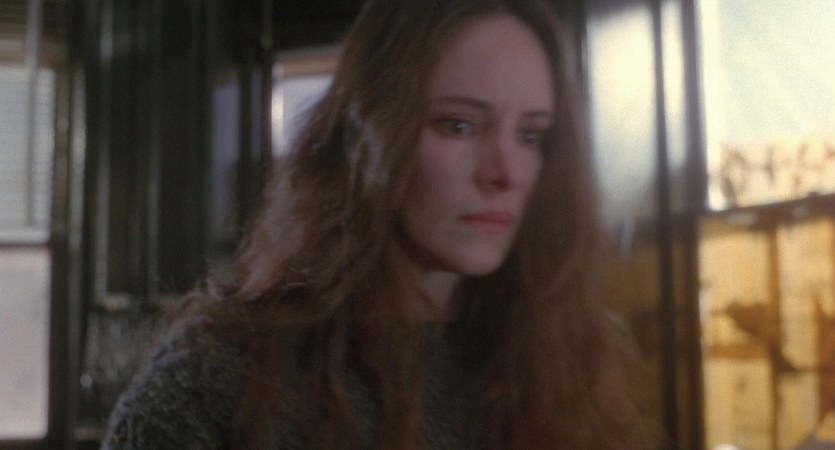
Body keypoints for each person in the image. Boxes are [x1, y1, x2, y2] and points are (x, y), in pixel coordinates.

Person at [102, 0, 648, 448]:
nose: (505, 172)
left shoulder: (562, 364)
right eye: (458, 125)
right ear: (371, 133)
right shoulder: (224, 378)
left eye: (532, 135)